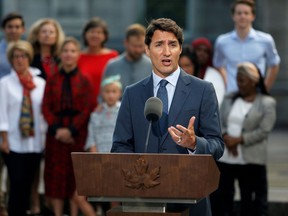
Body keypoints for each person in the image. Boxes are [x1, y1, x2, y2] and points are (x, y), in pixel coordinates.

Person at [111, 18, 224, 216]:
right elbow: (120, 145)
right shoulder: (132, 93)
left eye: (172, 44)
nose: (166, 51)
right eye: (158, 44)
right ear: (147, 50)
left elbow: (217, 145)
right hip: (142, 201)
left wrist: (194, 144)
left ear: (180, 49)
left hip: (190, 200)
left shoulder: (202, 90)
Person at [210, 62, 276, 216]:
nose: (238, 84)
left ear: (253, 81)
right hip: (227, 159)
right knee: (223, 198)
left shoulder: (266, 103)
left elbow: (264, 130)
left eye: (242, 80)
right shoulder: (229, 98)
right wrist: (226, 137)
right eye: (237, 79)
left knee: (250, 200)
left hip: (250, 160)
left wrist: (239, 140)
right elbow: (219, 120)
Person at [42, 37, 96, 216]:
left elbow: (88, 107)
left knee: (75, 176)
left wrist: (71, 130)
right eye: (65, 51)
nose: (68, 54)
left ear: (78, 54)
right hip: (55, 134)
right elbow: (45, 106)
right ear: (60, 54)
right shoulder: (52, 79)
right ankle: (57, 213)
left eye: (72, 51)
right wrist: (57, 129)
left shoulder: (85, 79)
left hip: (77, 134)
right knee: (56, 176)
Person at [0, 40, 46, 216]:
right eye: (16, 56)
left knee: (28, 184)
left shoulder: (40, 83)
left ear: (29, 57)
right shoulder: (5, 83)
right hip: (13, 142)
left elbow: (44, 112)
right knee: (16, 182)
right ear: (11, 59)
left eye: (24, 56)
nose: (20, 60)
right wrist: (4, 140)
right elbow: (2, 113)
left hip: (35, 142)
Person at [213, 0, 280, 93]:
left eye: (246, 13)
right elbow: (218, 65)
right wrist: (226, 83)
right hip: (232, 95)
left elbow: (274, 64)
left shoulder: (266, 40)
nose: (242, 16)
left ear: (253, 16)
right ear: (233, 16)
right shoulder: (222, 41)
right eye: (239, 13)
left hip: (256, 95)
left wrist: (265, 89)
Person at [78, 17, 118, 105]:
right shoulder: (78, 57)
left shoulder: (113, 56)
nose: (95, 35)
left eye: (99, 32)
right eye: (92, 32)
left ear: (105, 36)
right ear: (85, 34)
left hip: (106, 107)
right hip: (82, 106)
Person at [102, 23, 151, 91]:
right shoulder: (112, 66)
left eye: (140, 46)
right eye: (134, 46)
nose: (138, 50)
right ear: (125, 43)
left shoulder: (152, 66)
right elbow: (102, 95)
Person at [85, 75, 122, 153]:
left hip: (118, 155)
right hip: (99, 155)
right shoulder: (96, 114)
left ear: (120, 93)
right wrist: (94, 151)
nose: (110, 95)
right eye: (107, 91)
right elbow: (91, 137)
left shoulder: (123, 112)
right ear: (102, 93)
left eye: (114, 91)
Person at [192, 37, 225, 106]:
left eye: (206, 51)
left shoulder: (215, 75)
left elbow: (217, 101)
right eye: (199, 50)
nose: (202, 53)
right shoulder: (184, 70)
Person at [0, 12, 25, 79]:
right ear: (3, 29)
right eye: (10, 27)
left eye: (17, 27)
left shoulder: (29, 50)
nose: (13, 30)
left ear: (23, 30)